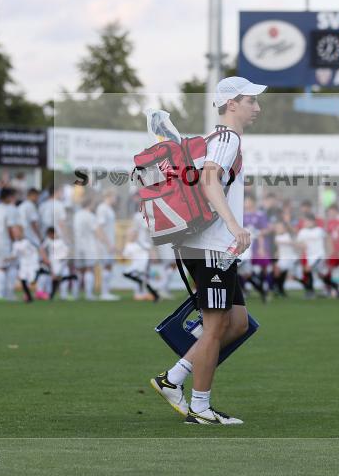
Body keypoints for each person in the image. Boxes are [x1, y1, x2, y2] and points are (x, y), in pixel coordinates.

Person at [150, 75, 264, 426]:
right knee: (215, 327)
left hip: (207, 246)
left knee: (238, 322)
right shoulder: (226, 138)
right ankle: (200, 408)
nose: (257, 108)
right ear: (232, 104)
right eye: (251, 101)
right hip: (211, 246)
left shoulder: (212, 139)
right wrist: (233, 225)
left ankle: (174, 378)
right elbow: (210, 179)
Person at [73, 194, 100, 301]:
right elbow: (96, 231)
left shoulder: (77, 215)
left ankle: (75, 294)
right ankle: (89, 294)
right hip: (89, 245)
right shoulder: (91, 216)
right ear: (89, 204)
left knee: (78, 270)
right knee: (89, 269)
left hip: (78, 245)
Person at [121, 226, 159, 301]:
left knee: (143, 280)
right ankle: (145, 293)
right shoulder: (128, 246)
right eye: (130, 234)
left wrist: (153, 256)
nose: (132, 235)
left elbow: (150, 249)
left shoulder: (141, 243)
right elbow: (124, 257)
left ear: (136, 234)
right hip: (136, 266)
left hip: (144, 265)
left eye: (133, 234)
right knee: (137, 279)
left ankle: (150, 295)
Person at [94, 190, 120, 301]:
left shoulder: (109, 209)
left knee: (109, 266)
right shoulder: (102, 208)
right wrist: (108, 244)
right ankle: (104, 293)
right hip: (105, 244)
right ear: (109, 196)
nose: (115, 199)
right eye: (114, 196)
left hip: (109, 242)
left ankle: (107, 291)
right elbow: (99, 228)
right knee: (106, 266)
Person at [296, 213, 328, 298]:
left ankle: (311, 292)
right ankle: (327, 288)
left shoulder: (319, 230)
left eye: (307, 221)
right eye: (305, 221)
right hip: (310, 257)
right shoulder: (302, 232)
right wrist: (301, 246)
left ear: (313, 222)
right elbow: (299, 244)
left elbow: (326, 241)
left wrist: (328, 253)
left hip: (319, 256)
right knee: (317, 274)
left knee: (309, 270)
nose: (306, 223)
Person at [8, 225, 38, 303]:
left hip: (32, 264)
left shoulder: (27, 241)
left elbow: (36, 250)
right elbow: (14, 255)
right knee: (23, 280)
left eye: (16, 232)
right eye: (13, 232)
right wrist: (6, 259)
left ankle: (34, 294)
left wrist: (36, 261)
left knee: (32, 281)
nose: (14, 234)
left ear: (21, 232)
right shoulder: (15, 244)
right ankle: (29, 297)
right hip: (23, 264)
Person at [271, 221, 297, 297]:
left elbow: (293, 243)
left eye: (280, 227)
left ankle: (278, 289)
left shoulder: (288, 235)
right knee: (279, 272)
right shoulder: (276, 237)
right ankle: (279, 289)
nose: (278, 229)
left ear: (285, 228)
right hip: (282, 257)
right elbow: (278, 248)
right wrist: (276, 256)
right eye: (277, 227)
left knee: (280, 272)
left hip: (289, 257)